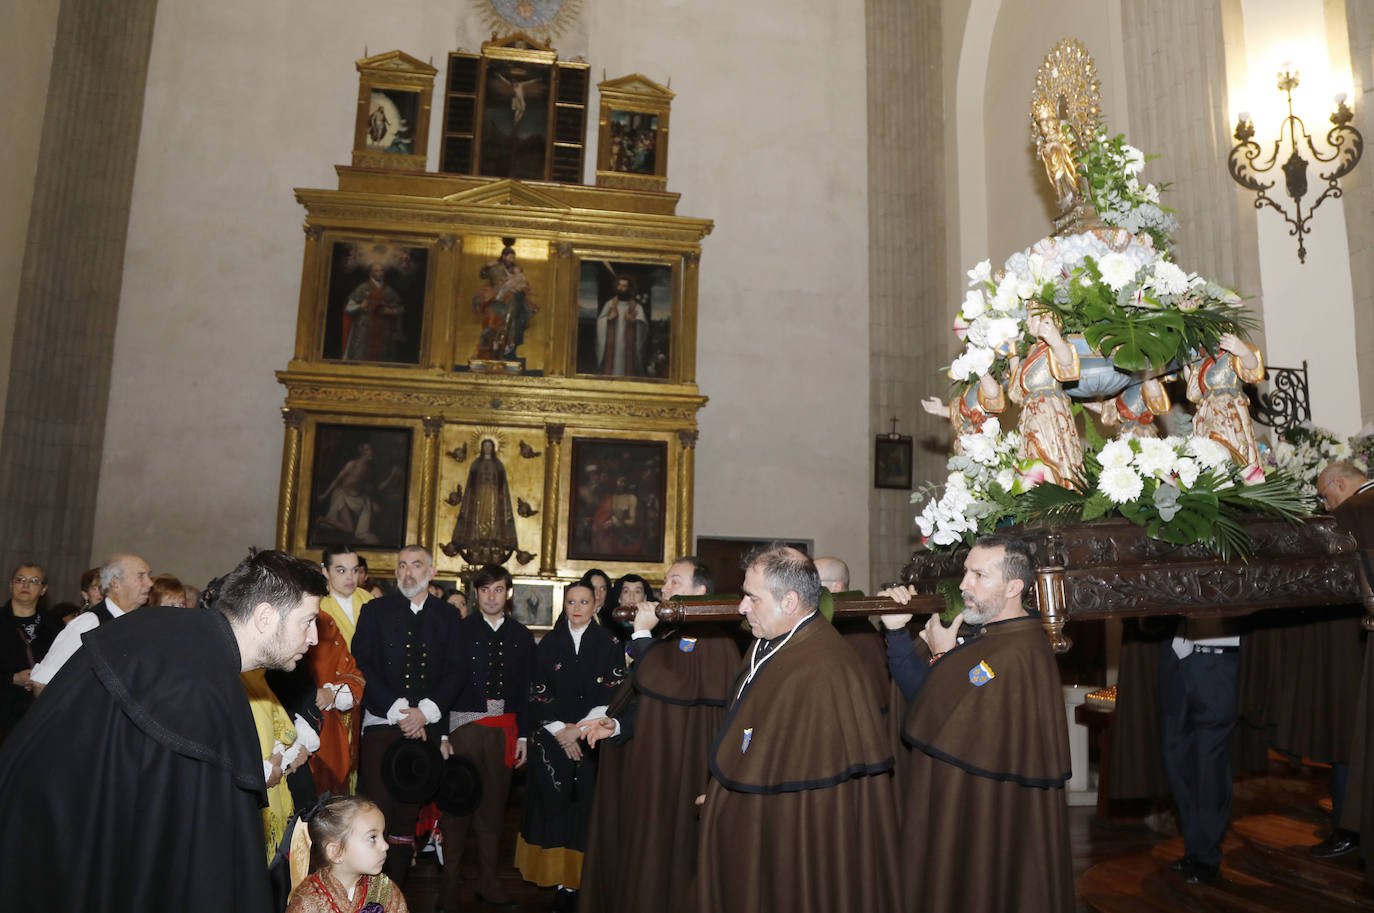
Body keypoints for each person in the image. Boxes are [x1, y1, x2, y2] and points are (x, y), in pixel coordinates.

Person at [0, 549, 326, 912]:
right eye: (307, 621)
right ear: (265, 616)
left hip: (41, 834)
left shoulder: (167, 632)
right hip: (57, 848)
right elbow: (198, 860)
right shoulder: (204, 685)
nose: (313, 637)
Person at [696, 546, 899, 913]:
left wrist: (730, 801)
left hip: (789, 839)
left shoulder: (823, 667)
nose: (741, 607)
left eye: (752, 597)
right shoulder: (770, 642)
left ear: (789, 602)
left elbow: (802, 788)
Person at [881, 534, 1073, 912]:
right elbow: (938, 699)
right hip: (973, 799)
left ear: (1014, 587)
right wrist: (900, 633)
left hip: (989, 809)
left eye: (979, 576)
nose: (964, 584)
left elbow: (943, 702)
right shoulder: (993, 637)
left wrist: (941, 655)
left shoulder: (1015, 651)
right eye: (966, 572)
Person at [580, 557, 741, 913]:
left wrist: (640, 635)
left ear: (700, 591)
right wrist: (619, 725)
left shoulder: (711, 638)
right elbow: (653, 702)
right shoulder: (674, 633)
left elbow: (666, 681)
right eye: (666, 581)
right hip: (658, 765)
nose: (664, 589)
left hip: (685, 770)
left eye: (675, 582)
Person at [352, 545, 465, 887]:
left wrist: (425, 713)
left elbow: (456, 670)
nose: (408, 572)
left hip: (425, 729)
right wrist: (398, 709)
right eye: (402, 565)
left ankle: (394, 894)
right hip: (382, 723)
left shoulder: (447, 615)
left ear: (431, 572)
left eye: (416, 565)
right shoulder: (375, 611)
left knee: (407, 817)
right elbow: (362, 664)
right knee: (376, 814)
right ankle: (370, 895)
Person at [515, 582, 624, 912]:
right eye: (572, 602)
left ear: (596, 605)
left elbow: (613, 691)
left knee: (584, 811)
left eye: (584, 602)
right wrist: (562, 731)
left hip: (592, 737)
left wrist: (579, 730)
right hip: (552, 740)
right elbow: (537, 691)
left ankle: (580, 884)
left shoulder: (609, 643)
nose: (577, 608)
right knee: (555, 810)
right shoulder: (549, 643)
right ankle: (560, 883)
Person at [437, 564, 535, 912]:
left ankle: (489, 882)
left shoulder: (521, 636)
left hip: (504, 731)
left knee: (493, 810)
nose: (491, 597)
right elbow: (442, 683)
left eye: (498, 589)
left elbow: (526, 690)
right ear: (475, 594)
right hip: (462, 729)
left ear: (508, 593)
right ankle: (449, 886)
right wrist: (442, 733)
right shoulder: (458, 631)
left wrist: (524, 736)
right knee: (456, 808)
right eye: (484, 590)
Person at [1317, 460, 1374, 863]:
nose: (1326, 507)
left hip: (1355, 644)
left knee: (1350, 736)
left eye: (1325, 497)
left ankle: (1349, 828)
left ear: (1339, 483)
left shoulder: (1354, 511)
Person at [30, 552, 152, 694]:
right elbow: (42, 682)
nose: (150, 583)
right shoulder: (89, 624)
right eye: (141, 576)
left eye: (149, 575)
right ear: (115, 584)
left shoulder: (140, 623)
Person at [287, 794, 410, 913]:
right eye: (372, 838)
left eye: (383, 835)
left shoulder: (384, 890)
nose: (385, 845)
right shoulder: (308, 899)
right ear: (337, 852)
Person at [0, 563, 58, 741]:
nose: (25, 585)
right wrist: (12, 678)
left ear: (43, 589)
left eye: (34, 581)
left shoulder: (54, 624)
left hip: (41, 710)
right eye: (20, 580)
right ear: (11, 585)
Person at [449, 438, 519, 560]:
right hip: (479, 497)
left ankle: (493, 541)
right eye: (485, 446)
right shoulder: (476, 464)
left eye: (489, 446)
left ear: (493, 448)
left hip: (493, 497)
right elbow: (471, 485)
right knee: (479, 517)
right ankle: (476, 542)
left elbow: (502, 486)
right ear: (481, 448)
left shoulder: (498, 465)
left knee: (493, 518)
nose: (487, 448)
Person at [472, 242, 538, 362]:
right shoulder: (496, 267)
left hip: (512, 299)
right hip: (497, 297)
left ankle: (508, 347)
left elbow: (523, 284)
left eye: (513, 258)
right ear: (504, 257)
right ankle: (492, 346)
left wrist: (520, 288)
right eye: (510, 257)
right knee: (494, 321)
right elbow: (483, 275)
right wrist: (486, 266)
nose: (512, 260)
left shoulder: (515, 270)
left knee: (514, 319)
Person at [343, 263, 405, 363]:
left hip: (384, 334)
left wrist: (390, 311)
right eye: (376, 271)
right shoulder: (362, 288)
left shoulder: (389, 291)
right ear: (370, 273)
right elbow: (348, 309)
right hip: (363, 334)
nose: (380, 273)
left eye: (382, 270)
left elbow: (401, 309)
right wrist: (360, 306)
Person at [595, 274, 648, 377]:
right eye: (619, 285)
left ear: (629, 288)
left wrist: (634, 320)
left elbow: (643, 325)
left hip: (629, 346)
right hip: (612, 344)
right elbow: (600, 321)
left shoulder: (636, 306)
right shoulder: (610, 304)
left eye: (624, 286)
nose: (620, 288)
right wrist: (608, 318)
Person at [321, 545, 370, 647]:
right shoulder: (318, 605)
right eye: (342, 571)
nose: (350, 577)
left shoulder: (368, 599)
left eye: (355, 570)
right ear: (326, 572)